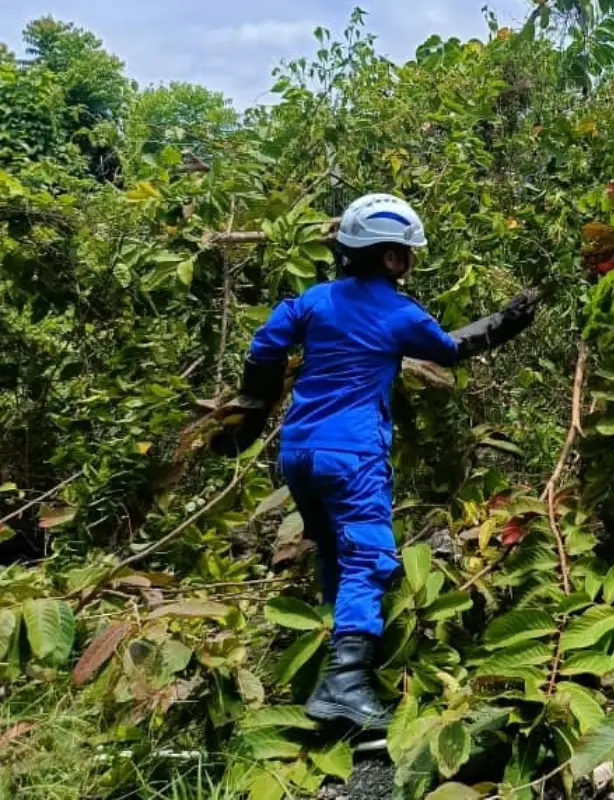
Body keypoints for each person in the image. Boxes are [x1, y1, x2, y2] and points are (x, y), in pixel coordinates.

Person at [211, 193, 538, 729]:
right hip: (352, 454)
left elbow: (264, 346)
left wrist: (252, 415)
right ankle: (345, 686)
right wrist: (503, 323)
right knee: (371, 558)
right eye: (406, 252)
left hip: (298, 452)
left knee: (336, 554)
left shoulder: (311, 301)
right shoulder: (398, 313)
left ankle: (336, 668)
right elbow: (450, 349)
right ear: (390, 258)